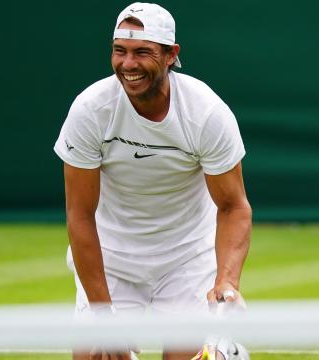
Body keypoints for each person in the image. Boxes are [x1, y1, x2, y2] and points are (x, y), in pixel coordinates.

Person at [54, 2, 252, 360]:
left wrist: (227, 281)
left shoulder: (205, 113)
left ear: (171, 55)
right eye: (120, 51)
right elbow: (80, 215)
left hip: (187, 257)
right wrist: (103, 316)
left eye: (142, 52)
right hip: (112, 257)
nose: (128, 64)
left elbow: (233, 206)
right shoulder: (90, 110)